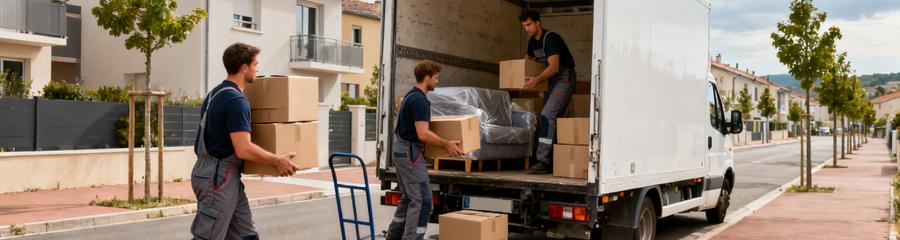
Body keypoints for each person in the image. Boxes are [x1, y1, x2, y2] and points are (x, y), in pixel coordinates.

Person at [189, 43, 299, 240]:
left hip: (217, 175)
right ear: (244, 67)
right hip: (218, 178)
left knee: (246, 235)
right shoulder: (236, 101)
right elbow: (243, 149)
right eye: (256, 64)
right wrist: (277, 160)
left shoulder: (215, 93)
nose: (258, 69)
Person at [386, 60, 464, 240]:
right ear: (427, 77)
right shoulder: (420, 101)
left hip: (403, 151)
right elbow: (423, 134)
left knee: (408, 198)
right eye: (436, 78)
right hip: (410, 154)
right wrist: (447, 144)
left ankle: (392, 237)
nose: (437, 81)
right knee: (423, 201)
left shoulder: (410, 96)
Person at [520, 10, 578, 174]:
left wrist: (536, 81)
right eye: (524, 26)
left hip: (563, 79)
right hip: (549, 81)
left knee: (547, 114)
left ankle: (543, 162)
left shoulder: (550, 38)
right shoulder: (532, 43)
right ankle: (552, 159)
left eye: (529, 24)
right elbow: (527, 62)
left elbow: (554, 67)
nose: (527, 29)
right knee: (548, 117)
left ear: (538, 23)